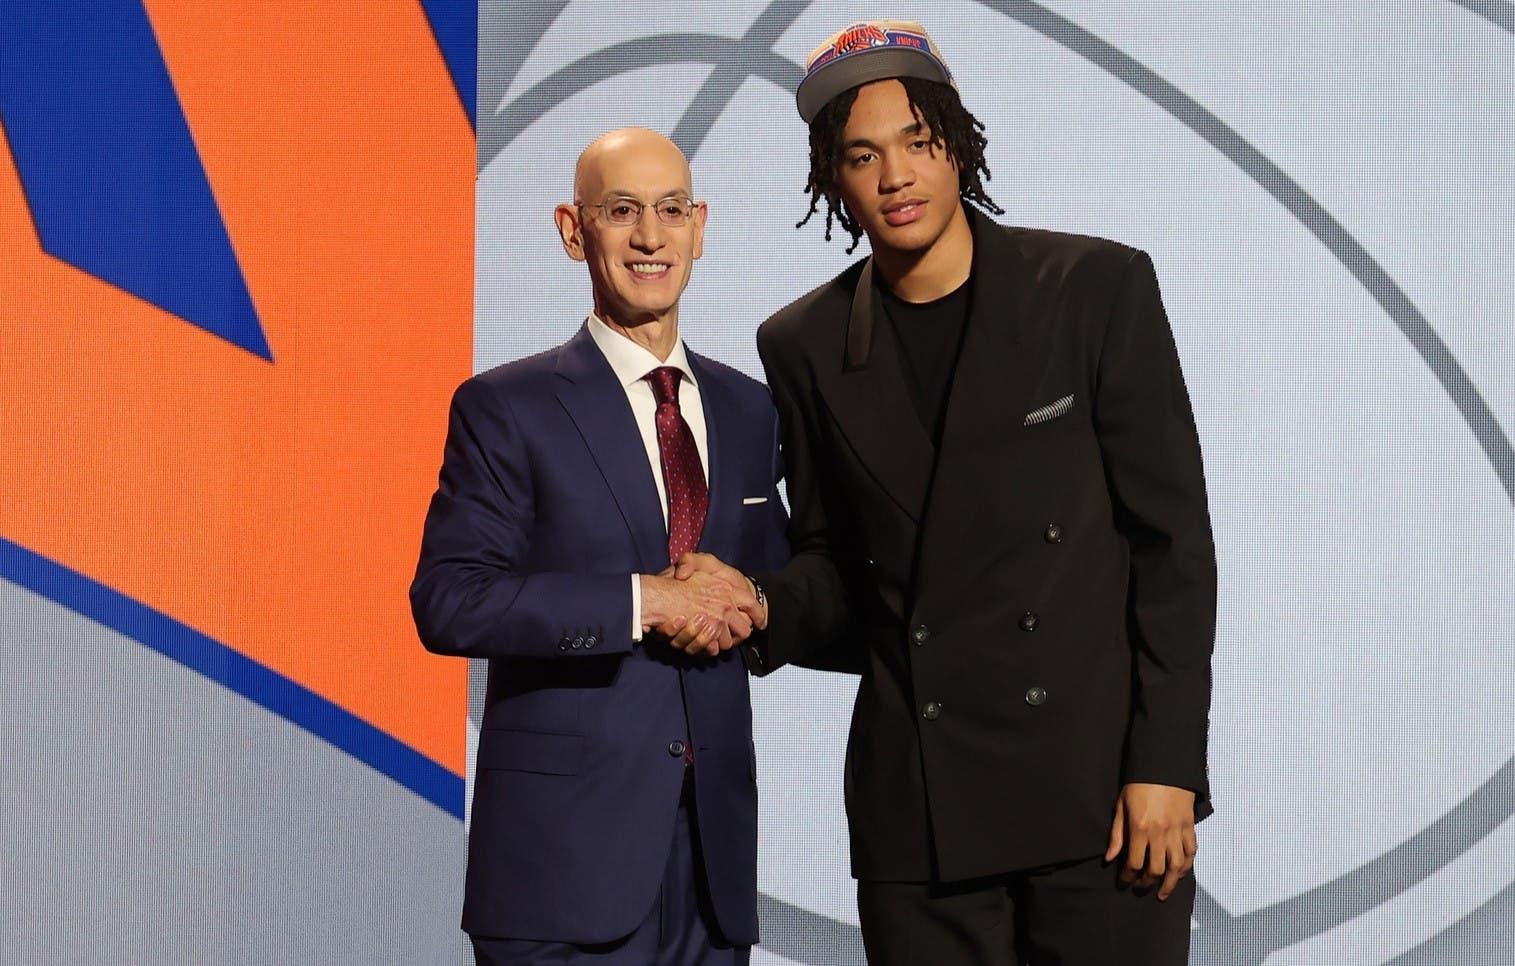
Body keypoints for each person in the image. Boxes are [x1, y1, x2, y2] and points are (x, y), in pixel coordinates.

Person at [677, 20, 1218, 964]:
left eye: (919, 144)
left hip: (1099, 805)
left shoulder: (1093, 290)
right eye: (863, 155)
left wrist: (1166, 767)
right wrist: (759, 603)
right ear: (832, 180)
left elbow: (1171, 552)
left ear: (958, 149)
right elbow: (844, 570)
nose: (896, 177)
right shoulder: (800, 345)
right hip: (920, 821)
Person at [410, 127, 785, 965]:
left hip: (713, 875)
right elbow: (449, 599)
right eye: (622, 211)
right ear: (574, 230)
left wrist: (754, 601)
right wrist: (644, 601)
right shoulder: (507, 406)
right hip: (559, 871)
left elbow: (781, 587)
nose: (651, 237)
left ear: (700, 227)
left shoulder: (751, 409)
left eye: (670, 210)